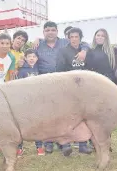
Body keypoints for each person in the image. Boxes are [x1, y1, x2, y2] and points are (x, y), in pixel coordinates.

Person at [33, 21, 90, 156]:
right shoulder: (37, 46)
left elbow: (84, 43)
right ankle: (48, 143)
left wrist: (84, 50)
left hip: (66, 84)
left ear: (57, 31)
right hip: (45, 84)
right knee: (48, 115)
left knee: (68, 114)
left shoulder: (65, 42)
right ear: (43, 32)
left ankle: (69, 141)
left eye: (53, 30)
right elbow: (29, 57)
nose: (50, 32)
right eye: (47, 30)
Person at [55, 27, 94, 154]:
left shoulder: (85, 50)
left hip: (84, 89)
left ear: (80, 38)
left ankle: (83, 144)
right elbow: (59, 70)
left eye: (76, 36)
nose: (74, 39)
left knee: (83, 117)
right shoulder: (63, 51)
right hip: (69, 89)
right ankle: (66, 145)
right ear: (68, 38)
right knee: (67, 117)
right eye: (71, 37)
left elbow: (90, 68)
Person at [16, 49, 45, 156]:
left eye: (34, 56)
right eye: (29, 56)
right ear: (26, 58)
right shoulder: (22, 70)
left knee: (37, 125)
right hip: (24, 102)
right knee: (21, 125)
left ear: (37, 58)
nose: (32, 58)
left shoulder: (39, 69)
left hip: (36, 102)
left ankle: (39, 147)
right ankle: (19, 147)